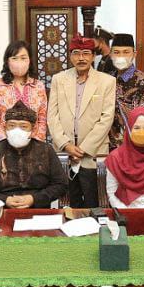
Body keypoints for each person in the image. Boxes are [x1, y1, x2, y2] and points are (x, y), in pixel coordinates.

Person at [48, 34, 117, 208]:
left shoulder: (107, 81)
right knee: (68, 204)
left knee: (95, 203)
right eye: (76, 53)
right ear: (70, 56)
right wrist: (66, 144)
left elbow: (107, 118)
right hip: (65, 152)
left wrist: (84, 149)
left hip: (93, 153)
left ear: (93, 56)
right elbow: (52, 116)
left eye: (86, 53)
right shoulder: (59, 79)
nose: (81, 58)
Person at [0, 102, 68, 208]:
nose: (17, 131)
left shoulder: (46, 150)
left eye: (23, 126)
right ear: (5, 128)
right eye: (11, 126)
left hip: (37, 208)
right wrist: (5, 200)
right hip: (2, 208)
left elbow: (61, 184)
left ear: (33, 129)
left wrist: (34, 199)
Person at [0, 40, 48, 143]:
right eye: (14, 58)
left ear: (29, 61)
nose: (19, 62)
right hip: (4, 145)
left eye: (23, 58)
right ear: (7, 61)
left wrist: (36, 142)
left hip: (34, 145)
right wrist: (4, 143)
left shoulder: (38, 86)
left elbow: (42, 118)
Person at [107, 33, 144, 149]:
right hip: (108, 145)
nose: (121, 56)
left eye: (126, 52)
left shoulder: (143, 82)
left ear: (134, 54)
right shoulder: (108, 78)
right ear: (110, 54)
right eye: (116, 52)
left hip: (133, 144)